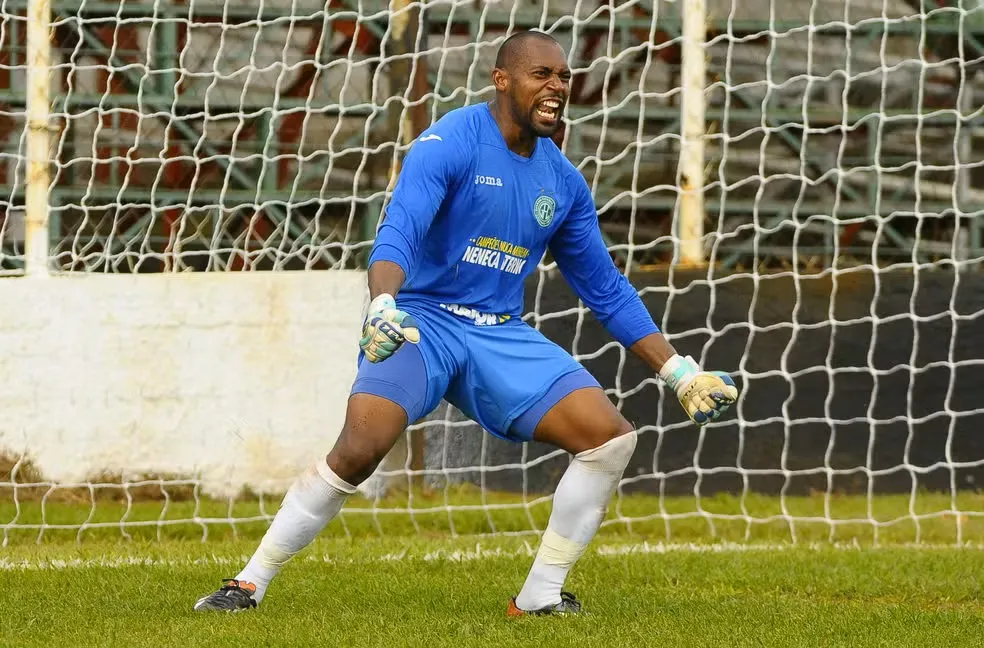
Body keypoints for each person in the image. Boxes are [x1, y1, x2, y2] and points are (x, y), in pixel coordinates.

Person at [193, 29, 738, 617]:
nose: (556, 87)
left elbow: (604, 289)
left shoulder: (563, 183)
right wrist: (382, 305)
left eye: (563, 77)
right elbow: (399, 229)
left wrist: (678, 371)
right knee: (361, 445)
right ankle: (248, 582)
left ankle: (539, 597)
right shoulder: (449, 141)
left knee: (610, 439)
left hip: (495, 332)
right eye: (541, 75)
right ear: (501, 79)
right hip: (420, 322)